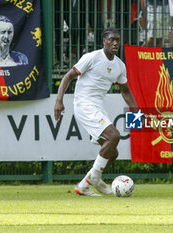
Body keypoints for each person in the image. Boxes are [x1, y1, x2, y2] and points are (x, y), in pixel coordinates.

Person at [54, 27, 140, 196]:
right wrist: (59, 100)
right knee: (114, 136)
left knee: (112, 152)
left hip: (97, 106)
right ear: (104, 41)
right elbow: (68, 76)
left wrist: (137, 111)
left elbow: (125, 90)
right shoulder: (92, 57)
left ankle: (84, 185)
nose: (115, 43)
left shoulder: (119, 66)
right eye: (111, 40)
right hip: (84, 104)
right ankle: (94, 177)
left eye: (117, 40)